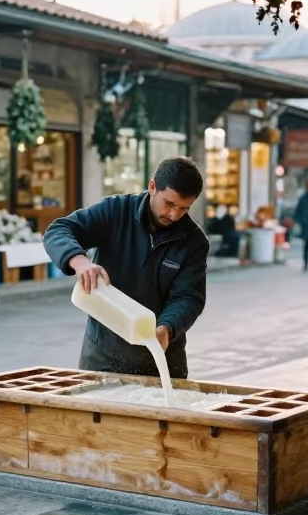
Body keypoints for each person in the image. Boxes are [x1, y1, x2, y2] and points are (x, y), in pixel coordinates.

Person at [44, 156, 209, 378]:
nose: (174, 215)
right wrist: (80, 262)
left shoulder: (194, 242)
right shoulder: (115, 211)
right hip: (102, 355)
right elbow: (59, 230)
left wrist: (167, 327)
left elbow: (188, 297)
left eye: (184, 208)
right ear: (152, 186)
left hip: (162, 356)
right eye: (169, 204)